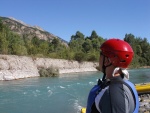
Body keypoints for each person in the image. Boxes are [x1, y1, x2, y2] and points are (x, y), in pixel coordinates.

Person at [86, 39, 139, 113]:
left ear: (107, 61)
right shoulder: (127, 83)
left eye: (101, 54)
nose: (99, 59)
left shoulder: (113, 93)